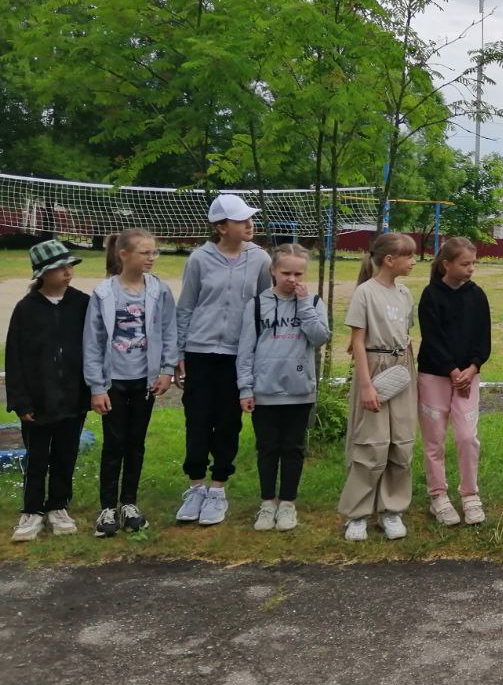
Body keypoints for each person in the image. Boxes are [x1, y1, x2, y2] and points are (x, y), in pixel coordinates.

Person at [174, 193, 271, 527]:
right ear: (221, 226)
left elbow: (264, 305)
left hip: (237, 355)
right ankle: (196, 486)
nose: (249, 224)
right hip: (200, 353)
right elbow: (186, 307)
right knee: (198, 420)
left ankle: (218, 489)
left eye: (249, 218)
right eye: (240, 219)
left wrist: (259, 351)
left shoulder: (260, 259)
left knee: (229, 422)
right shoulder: (199, 259)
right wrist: (179, 353)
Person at [83, 229, 178, 538]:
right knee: (114, 444)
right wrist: (97, 387)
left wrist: (165, 370)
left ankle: (129, 503)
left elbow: (169, 331)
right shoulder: (104, 293)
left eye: (154, 253)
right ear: (123, 255)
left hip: (145, 382)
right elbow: (93, 343)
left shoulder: (159, 291)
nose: (152, 258)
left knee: (136, 443)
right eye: (145, 253)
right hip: (113, 382)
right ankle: (108, 508)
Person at [236, 244, 330, 532]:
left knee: (293, 448)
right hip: (264, 390)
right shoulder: (256, 304)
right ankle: (267, 504)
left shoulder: (313, 302)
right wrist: (245, 388)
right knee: (267, 448)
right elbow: (246, 349)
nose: (292, 278)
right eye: (286, 272)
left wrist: (303, 306)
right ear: (273, 271)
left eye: (298, 273)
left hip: (299, 390)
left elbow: (319, 338)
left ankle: (288, 503)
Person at [6, 241, 90, 542]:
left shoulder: (82, 303)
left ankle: (58, 506)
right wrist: (20, 400)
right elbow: (14, 358)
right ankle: (31, 510)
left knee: (66, 454)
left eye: (70, 266)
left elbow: (93, 348)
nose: (68, 272)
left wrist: (91, 389)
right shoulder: (26, 309)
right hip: (38, 401)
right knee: (38, 456)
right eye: (60, 267)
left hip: (73, 398)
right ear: (43, 273)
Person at [337, 232, 418, 542]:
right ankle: (357, 514)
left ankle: (391, 510)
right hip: (373, 368)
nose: (413, 261)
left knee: (401, 442)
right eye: (408, 256)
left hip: (401, 371)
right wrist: (367, 386)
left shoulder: (405, 293)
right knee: (371, 443)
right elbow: (356, 342)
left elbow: (407, 337)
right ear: (389, 259)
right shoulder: (365, 293)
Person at [417, 236, 491, 527]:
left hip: (468, 378)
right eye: (465, 264)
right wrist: (451, 370)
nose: (471, 268)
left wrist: (472, 368)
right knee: (434, 440)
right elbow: (432, 338)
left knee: (466, 437)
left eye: (473, 263)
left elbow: (482, 337)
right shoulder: (430, 295)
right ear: (446, 264)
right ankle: (438, 496)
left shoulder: (478, 295)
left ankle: (470, 494)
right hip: (434, 376)